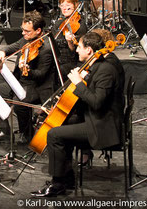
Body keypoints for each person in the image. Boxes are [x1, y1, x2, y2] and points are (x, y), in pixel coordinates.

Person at [31, 31, 124, 197]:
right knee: (62, 123)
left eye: (79, 47)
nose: (76, 51)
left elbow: (96, 102)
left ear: (89, 50)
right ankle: (67, 178)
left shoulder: (106, 70)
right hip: (96, 119)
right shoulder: (97, 65)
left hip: (102, 127)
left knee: (54, 134)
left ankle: (57, 183)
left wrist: (79, 83)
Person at [0, 10, 55, 143]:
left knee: (20, 102)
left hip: (36, 86)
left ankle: (27, 133)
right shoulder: (26, 39)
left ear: (38, 30)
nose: (23, 33)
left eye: (27, 31)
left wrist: (28, 71)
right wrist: (1, 52)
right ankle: (5, 131)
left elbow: (41, 75)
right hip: (19, 82)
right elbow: (12, 47)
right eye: (23, 30)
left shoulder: (46, 48)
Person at [50, 0, 87, 79]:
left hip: (72, 62)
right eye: (62, 5)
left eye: (68, 5)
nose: (64, 8)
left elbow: (76, 53)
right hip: (57, 59)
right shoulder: (59, 22)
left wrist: (69, 42)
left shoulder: (80, 25)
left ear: (76, 5)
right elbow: (52, 41)